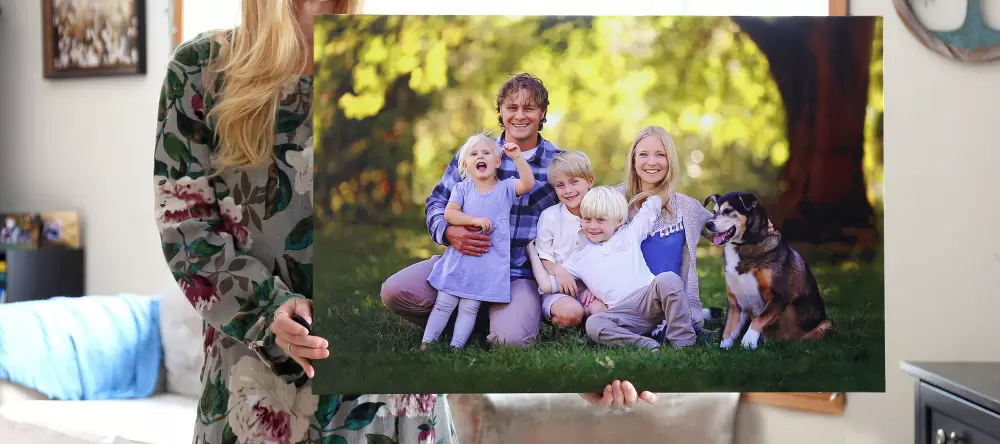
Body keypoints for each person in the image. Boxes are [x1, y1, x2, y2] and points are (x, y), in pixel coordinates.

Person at [153, 1, 461, 443]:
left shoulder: (404, 62)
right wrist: (268, 314)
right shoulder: (200, 70)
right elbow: (186, 229)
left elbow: (464, 219)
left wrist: (589, 346)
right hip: (257, 400)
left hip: (396, 403)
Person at [381, 72, 561, 348]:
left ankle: (494, 318)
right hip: (464, 262)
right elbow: (438, 202)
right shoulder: (476, 151)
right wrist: (449, 232)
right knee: (394, 292)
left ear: (543, 112)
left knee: (510, 342)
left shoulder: (558, 162)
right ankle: (469, 317)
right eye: (512, 107)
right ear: (500, 111)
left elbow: (576, 214)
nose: (520, 115)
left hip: (516, 273)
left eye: (530, 108)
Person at [421, 136, 536, 350]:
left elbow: (528, 183)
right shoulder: (462, 189)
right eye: (473, 154)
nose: (480, 157)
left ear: (498, 161)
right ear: (465, 165)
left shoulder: (506, 188)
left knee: (469, 307)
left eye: (486, 153)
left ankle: (457, 347)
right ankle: (427, 343)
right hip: (460, 259)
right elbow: (450, 213)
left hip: (487, 263)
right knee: (444, 304)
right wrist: (474, 220)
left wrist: (518, 157)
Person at [556, 186, 696, 349]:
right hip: (622, 315)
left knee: (668, 279)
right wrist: (550, 265)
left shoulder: (629, 234)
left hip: (649, 300)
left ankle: (683, 342)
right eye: (587, 219)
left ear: (619, 221)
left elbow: (652, 206)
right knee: (594, 324)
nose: (593, 226)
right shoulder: (578, 257)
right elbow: (553, 281)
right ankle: (646, 345)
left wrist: (654, 185)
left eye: (600, 220)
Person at [615, 125, 716, 345]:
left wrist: (763, 227)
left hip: (672, 308)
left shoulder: (687, 208)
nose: (652, 162)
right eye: (643, 154)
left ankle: (673, 328)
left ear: (670, 161)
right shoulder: (614, 200)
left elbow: (725, 231)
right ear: (633, 160)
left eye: (660, 154)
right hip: (626, 305)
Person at [526, 150, 601, 328]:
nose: (568, 190)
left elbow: (606, 253)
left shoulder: (600, 215)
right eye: (560, 185)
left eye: (574, 182)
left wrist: (594, 288)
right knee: (571, 313)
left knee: (601, 312)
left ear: (589, 181)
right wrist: (558, 271)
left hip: (591, 288)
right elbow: (544, 255)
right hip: (557, 288)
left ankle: (591, 325)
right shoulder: (551, 217)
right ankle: (561, 320)